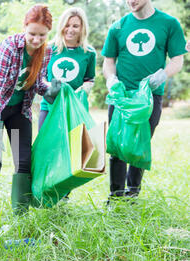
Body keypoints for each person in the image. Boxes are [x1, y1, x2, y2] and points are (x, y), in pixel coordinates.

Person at [0, 4, 60, 215]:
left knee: (24, 164)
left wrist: (50, 90)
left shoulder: (46, 52)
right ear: (24, 27)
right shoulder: (9, 47)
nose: (36, 39)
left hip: (19, 110)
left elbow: (36, 83)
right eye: (32, 33)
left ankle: (20, 218)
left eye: (42, 35)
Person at [102, 0, 186, 203]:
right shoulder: (118, 27)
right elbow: (109, 61)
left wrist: (163, 74)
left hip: (150, 95)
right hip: (122, 96)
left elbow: (177, 59)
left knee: (141, 143)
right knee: (117, 144)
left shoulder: (169, 23)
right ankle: (115, 196)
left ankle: (132, 193)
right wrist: (111, 78)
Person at [38, 7, 96, 132]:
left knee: (73, 149)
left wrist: (84, 89)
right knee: (47, 148)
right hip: (50, 107)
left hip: (74, 109)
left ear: (82, 28)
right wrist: (49, 87)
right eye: (67, 25)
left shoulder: (89, 53)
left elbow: (89, 79)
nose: (70, 30)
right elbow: (40, 77)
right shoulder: (48, 49)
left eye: (75, 26)